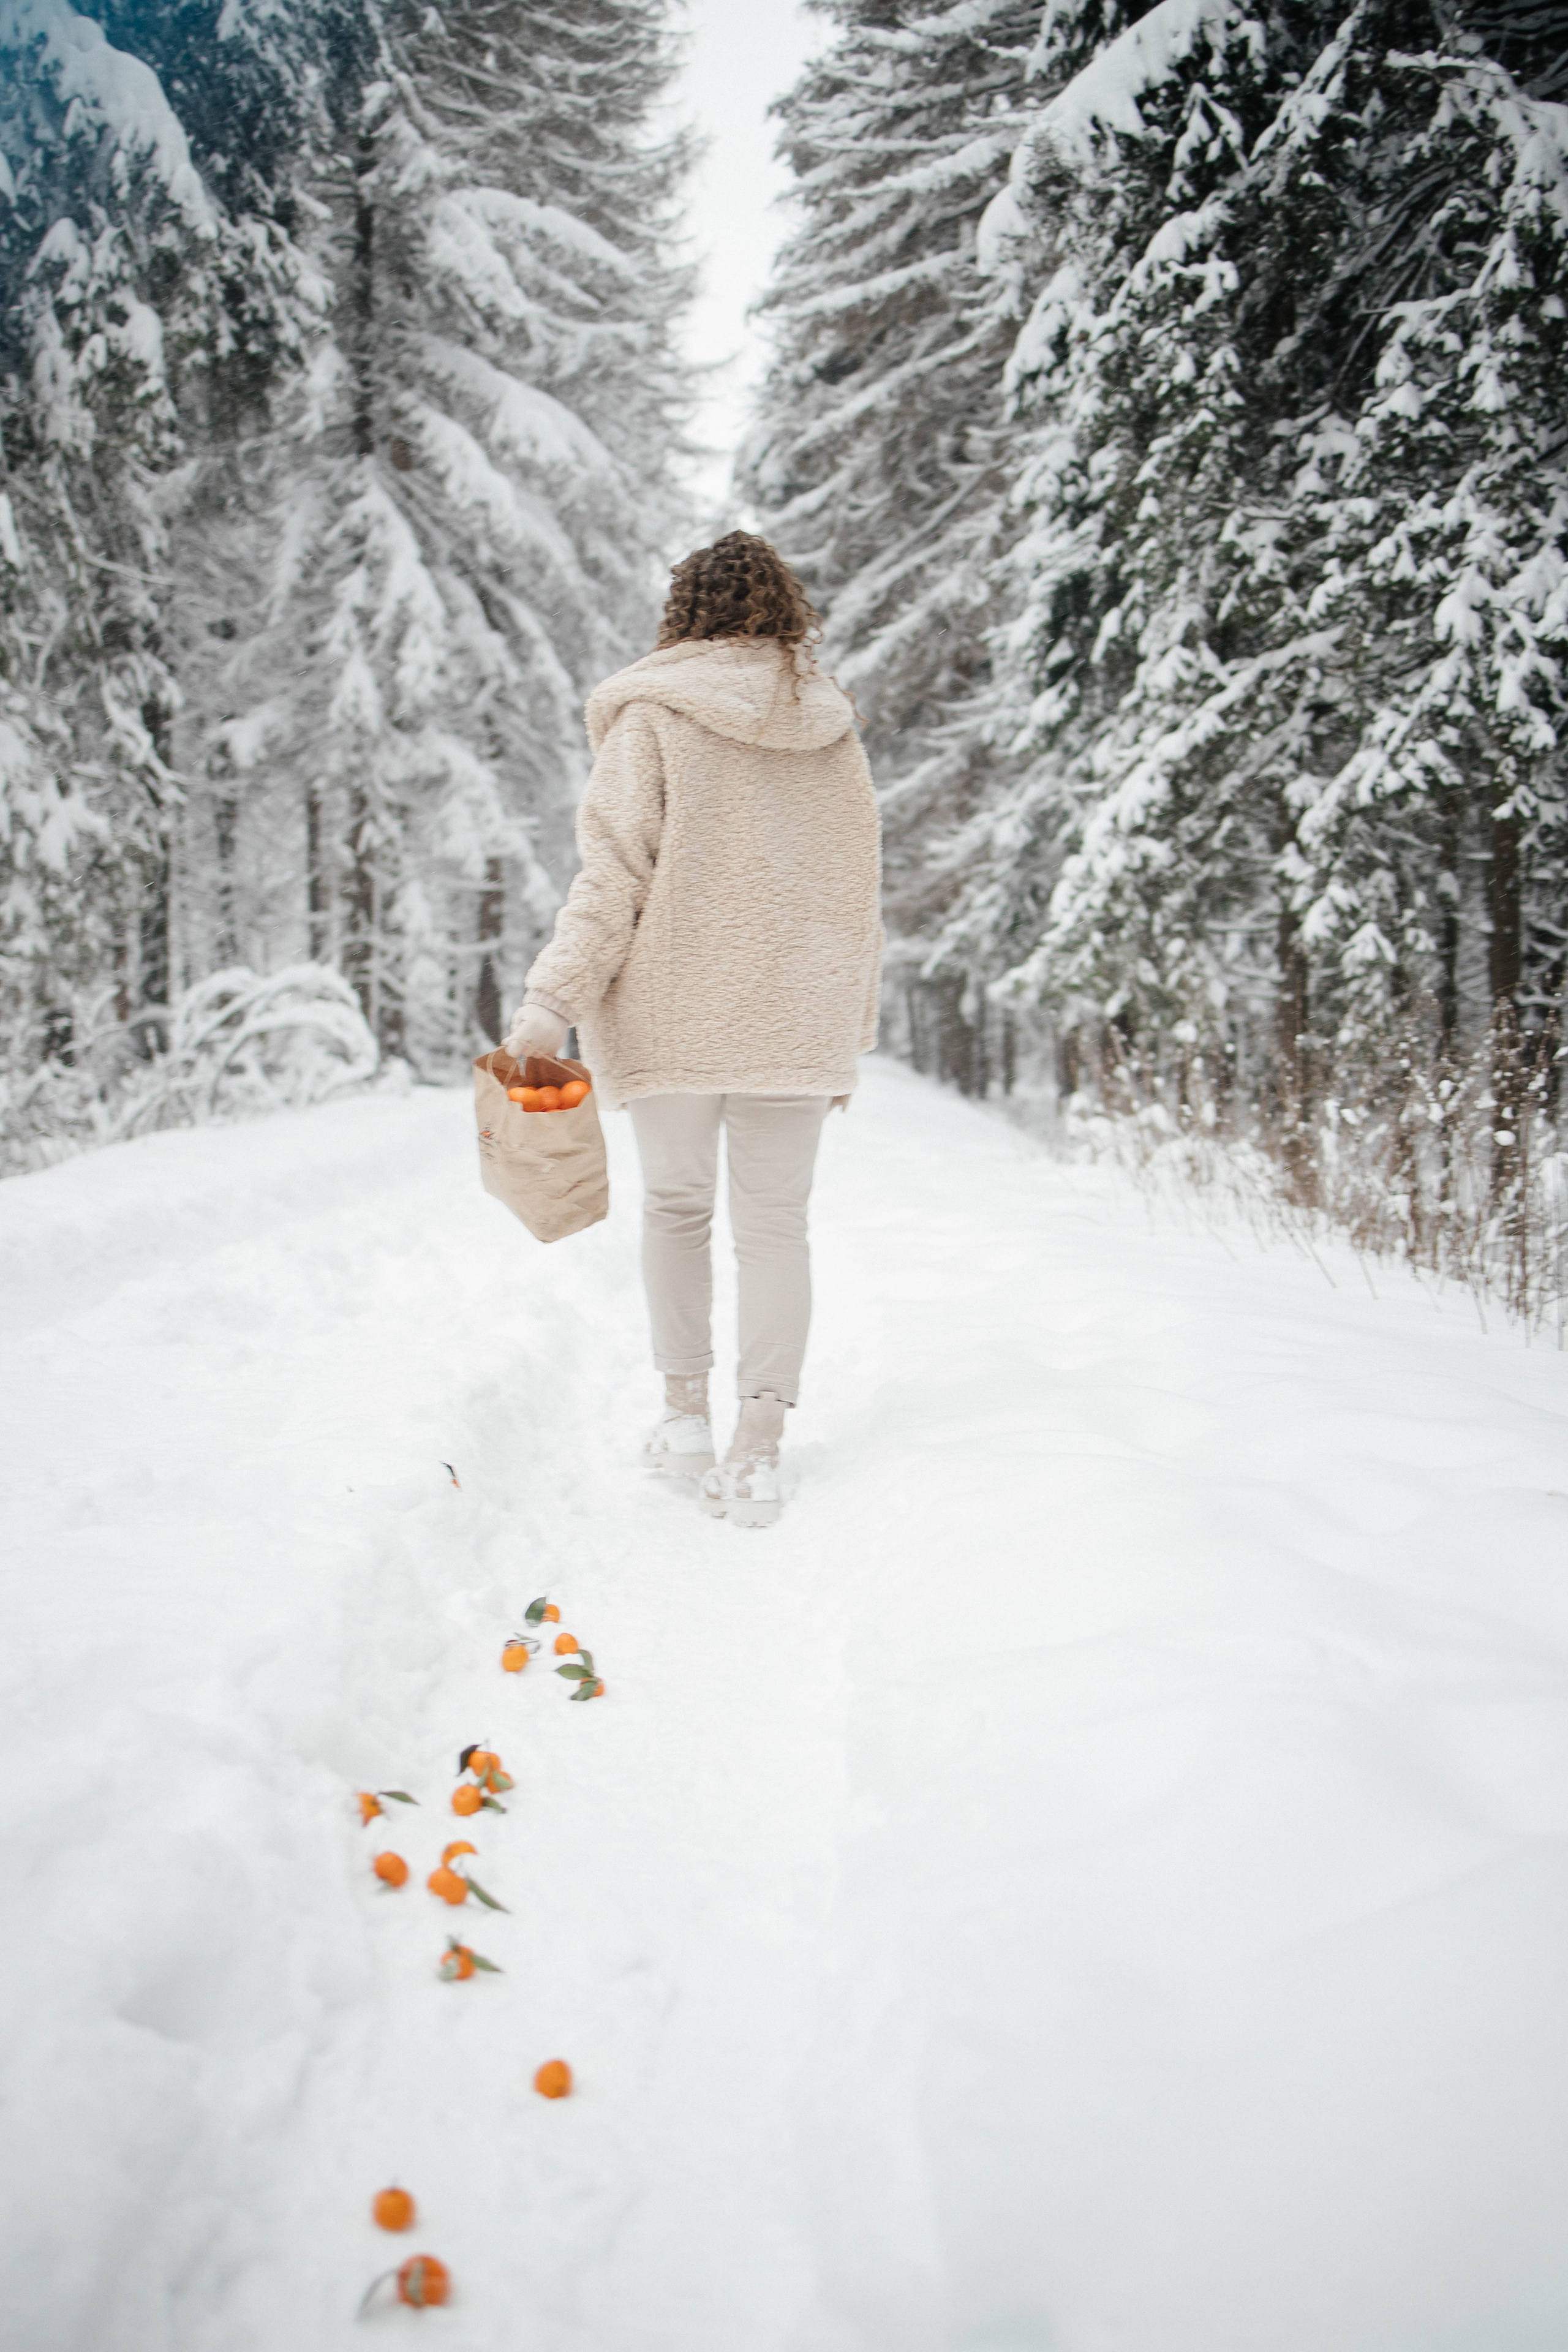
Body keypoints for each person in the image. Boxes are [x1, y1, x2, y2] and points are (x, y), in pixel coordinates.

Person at [505, 532, 882, 1528]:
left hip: (672, 1008)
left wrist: (552, 1002)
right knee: (775, 1229)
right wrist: (851, 1020)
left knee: (677, 1213)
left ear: (681, 614)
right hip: (795, 1016)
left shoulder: (654, 718)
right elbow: (858, 891)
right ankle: (757, 1448)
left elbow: (612, 878)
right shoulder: (832, 727)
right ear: (785, 609)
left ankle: (683, 1424)